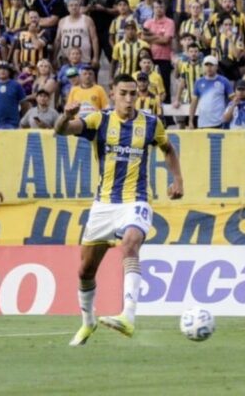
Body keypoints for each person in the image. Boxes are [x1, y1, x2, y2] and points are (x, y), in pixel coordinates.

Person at [54, 74, 182, 345]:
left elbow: (168, 149)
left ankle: (128, 316)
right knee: (85, 271)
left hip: (136, 200)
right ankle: (88, 322)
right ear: (112, 93)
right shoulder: (99, 120)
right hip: (104, 205)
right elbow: (61, 130)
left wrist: (177, 179)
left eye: (132, 94)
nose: (128, 98)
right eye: (123, 93)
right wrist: (65, 116)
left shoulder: (150, 123)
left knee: (131, 242)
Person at [189, 55, 233, 129]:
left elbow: (233, 99)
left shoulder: (224, 81)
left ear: (216, 67)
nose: (209, 68)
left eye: (211, 65)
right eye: (206, 65)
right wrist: (190, 121)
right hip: (203, 123)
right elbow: (194, 103)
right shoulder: (199, 82)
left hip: (219, 123)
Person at [54, 0, 99, 69]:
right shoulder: (62, 21)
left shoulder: (87, 19)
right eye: (71, 5)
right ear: (67, 8)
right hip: (66, 58)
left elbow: (94, 39)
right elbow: (58, 40)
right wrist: (54, 56)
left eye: (76, 5)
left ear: (80, 7)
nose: (74, 7)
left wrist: (95, 57)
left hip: (84, 58)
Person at [0, 63, 29, 130]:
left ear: (9, 72)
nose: (2, 71)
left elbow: (24, 104)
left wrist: (22, 119)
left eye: (5, 69)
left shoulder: (16, 85)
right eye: (0, 69)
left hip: (14, 123)